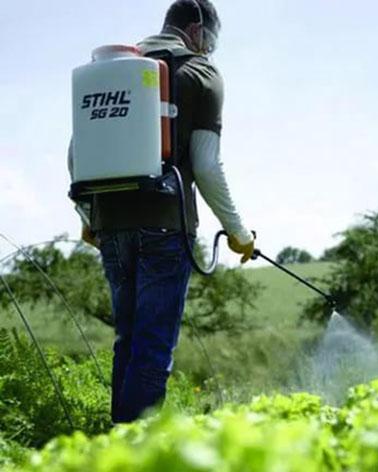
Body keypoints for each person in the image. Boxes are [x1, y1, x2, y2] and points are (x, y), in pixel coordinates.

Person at [68, 0, 255, 423]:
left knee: (128, 342)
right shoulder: (200, 73)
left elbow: (76, 155)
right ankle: (135, 456)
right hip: (166, 226)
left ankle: (115, 449)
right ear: (196, 30)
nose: (210, 50)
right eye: (211, 41)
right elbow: (206, 165)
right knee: (152, 349)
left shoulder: (116, 70)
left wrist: (86, 220)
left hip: (110, 226)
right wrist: (238, 232)